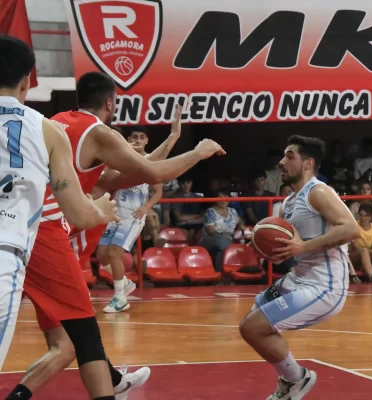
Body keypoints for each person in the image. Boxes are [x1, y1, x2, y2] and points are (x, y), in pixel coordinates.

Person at [7, 71, 225, 400]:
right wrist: (199, 152)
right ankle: (110, 385)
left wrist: (172, 139)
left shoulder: (56, 122)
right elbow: (150, 172)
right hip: (54, 236)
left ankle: (113, 380)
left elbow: (119, 177)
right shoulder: (98, 132)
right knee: (81, 335)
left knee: (66, 343)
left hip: (25, 228)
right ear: (111, 102)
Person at [0, 35, 117, 374]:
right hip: (7, 253)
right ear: (27, 81)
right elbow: (79, 213)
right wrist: (102, 212)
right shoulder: (47, 129)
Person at [239, 135, 360, 400]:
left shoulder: (319, 191)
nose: (282, 162)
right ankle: (293, 378)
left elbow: (352, 229)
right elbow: (284, 254)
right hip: (299, 278)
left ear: (308, 164)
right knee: (250, 323)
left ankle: (295, 379)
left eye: (290, 156)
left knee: (254, 328)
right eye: (283, 156)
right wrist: (264, 249)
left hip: (325, 286)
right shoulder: (286, 204)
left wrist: (303, 247)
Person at [97, 125, 165, 313]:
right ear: (128, 139)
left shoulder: (148, 161)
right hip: (116, 213)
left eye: (141, 137)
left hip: (133, 215)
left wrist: (145, 207)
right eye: (134, 136)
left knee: (113, 253)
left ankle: (120, 298)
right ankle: (125, 283)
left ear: (146, 141)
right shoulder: (120, 158)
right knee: (102, 256)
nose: (137, 140)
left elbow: (158, 191)